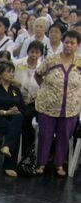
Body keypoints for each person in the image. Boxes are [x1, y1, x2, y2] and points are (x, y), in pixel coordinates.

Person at [35, 30, 81, 177]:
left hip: (70, 108)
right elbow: (38, 74)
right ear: (63, 42)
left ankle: (59, 164)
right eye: (66, 42)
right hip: (47, 106)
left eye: (72, 43)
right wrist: (46, 90)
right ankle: (41, 163)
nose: (68, 45)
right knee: (45, 135)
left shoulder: (79, 62)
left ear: (77, 45)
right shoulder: (52, 59)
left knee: (64, 136)